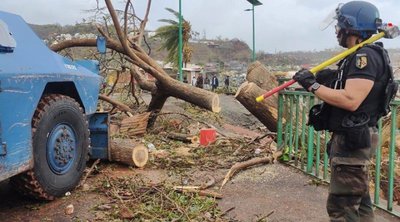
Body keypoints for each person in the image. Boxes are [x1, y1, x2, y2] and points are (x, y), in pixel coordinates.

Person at [292, 1, 394, 221]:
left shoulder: (363, 57)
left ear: (352, 27)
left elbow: (351, 99)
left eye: (340, 25)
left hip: (353, 141)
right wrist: (320, 77)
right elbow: (348, 85)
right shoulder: (361, 54)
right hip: (355, 138)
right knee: (359, 203)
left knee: (343, 208)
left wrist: (313, 86)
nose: (337, 30)